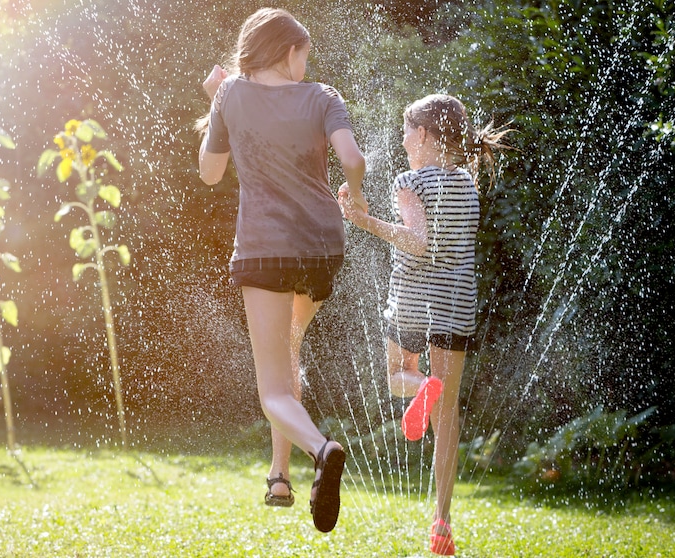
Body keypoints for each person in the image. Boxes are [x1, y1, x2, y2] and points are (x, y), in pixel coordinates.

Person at [197, 7, 366, 533]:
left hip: (264, 251)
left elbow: (210, 172)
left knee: (272, 387)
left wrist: (218, 105)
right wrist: (354, 198)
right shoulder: (323, 97)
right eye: (304, 54)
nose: (306, 63)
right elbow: (353, 160)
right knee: (289, 347)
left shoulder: (229, 95)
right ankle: (279, 476)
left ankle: (320, 450)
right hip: (321, 247)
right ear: (288, 51)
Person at [338, 94, 510, 555]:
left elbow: (416, 242)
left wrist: (363, 220)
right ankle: (442, 523)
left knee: (399, 379)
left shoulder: (409, 181)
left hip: (414, 301)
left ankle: (421, 387)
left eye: (407, 129)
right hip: (456, 305)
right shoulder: (468, 186)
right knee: (447, 417)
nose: (403, 137)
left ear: (427, 135)